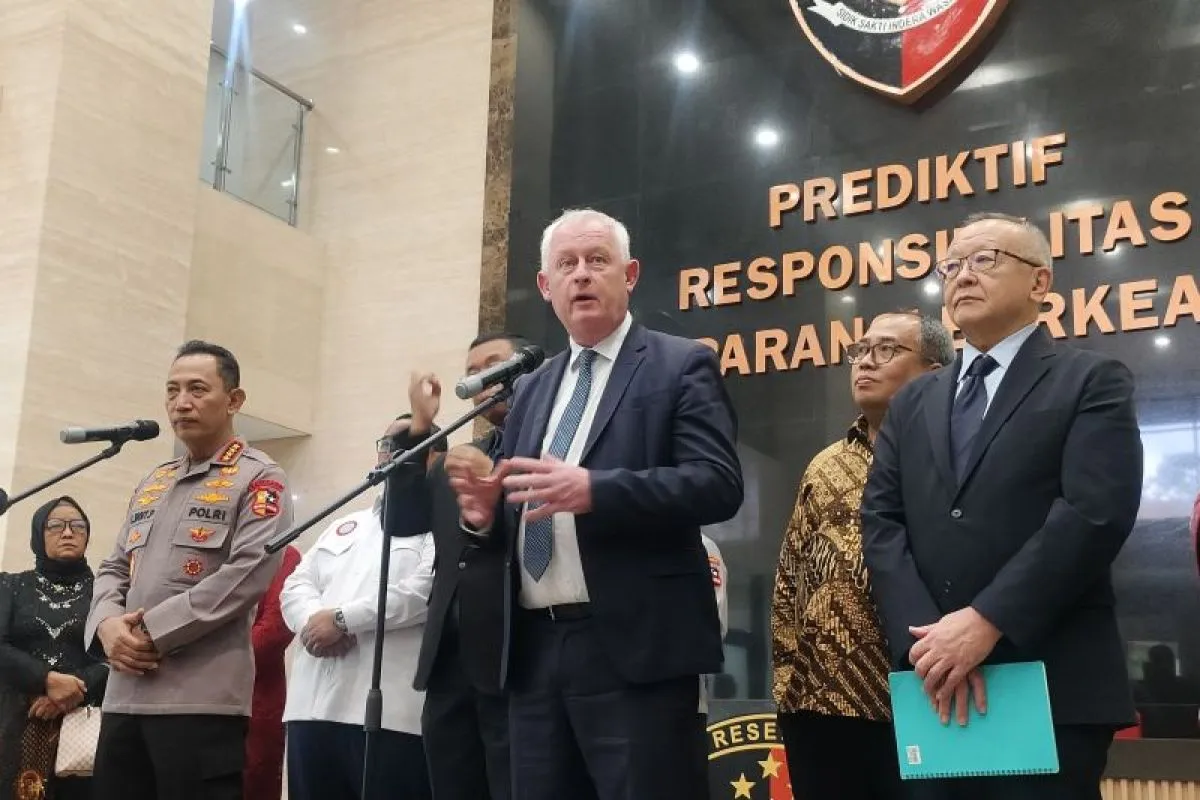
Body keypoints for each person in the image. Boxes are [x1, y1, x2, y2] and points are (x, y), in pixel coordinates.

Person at [446, 208, 744, 799]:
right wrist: (484, 517)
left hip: (635, 649)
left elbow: (717, 483)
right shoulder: (531, 387)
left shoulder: (680, 363)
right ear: (545, 285)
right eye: (566, 264)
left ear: (629, 274)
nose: (581, 274)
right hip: (533, 651)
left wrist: (597, 490)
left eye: (597, 260)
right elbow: (523, 504)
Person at [861, 213, 1144, 800]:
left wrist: (986, 620)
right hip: (934, 682)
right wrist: (927, 645)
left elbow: (1094, 513)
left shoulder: (1090, 380)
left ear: (1040, 282)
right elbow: (881, 521)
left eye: (984, 259)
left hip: (1048, 675)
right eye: (951, 266)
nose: (962, 276)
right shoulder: (913, 401)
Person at [85, 340, 290, 800]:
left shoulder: (260, 478)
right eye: (172, 390)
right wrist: (106, 625)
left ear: (234, 400)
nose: (181, 402)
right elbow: (114, 565)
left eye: (197, 389)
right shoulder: (154, 481)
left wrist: (152, 631)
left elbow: (247, 573)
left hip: (200, 700)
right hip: (124, 695)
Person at [772, 310, 952, 800]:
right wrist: (788, 684)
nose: (866, 362)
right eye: (861, 351)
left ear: (934, 372)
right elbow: (790, 580)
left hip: (926, 696)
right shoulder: (826, 465)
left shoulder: (956, 458)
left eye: (886, 350)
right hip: (821, 706)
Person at [280, 414, 442, 800]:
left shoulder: (439, 523)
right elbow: (295, 585)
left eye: (403, 445)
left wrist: (342, 620)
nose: (389, 453)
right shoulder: (345, 525)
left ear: (433, 457)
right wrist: (314, 623)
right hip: (310, 705)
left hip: (389, 715)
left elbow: (424, 592)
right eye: (385, 445)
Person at [397, 332, 526, 800]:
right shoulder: (458, 462)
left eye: (493, 366)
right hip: (450, 663)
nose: (481, 380)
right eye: (472, 372)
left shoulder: (550, 451)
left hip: (518, 659)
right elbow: (402, 521)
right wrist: (420, 426)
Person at [0, 496, 107, 800]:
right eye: (55, 525)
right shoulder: (10, 586)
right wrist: (45, 679)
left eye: (78, 525)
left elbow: (117, 658)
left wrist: (73, 689)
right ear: (38, 534)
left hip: (83, 728)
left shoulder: (106, 593)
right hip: (14, 723)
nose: (68, 532)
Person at [243, 544, 302, 800]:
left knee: (252, 782)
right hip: (183, 696)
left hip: (253, 698)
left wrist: (210, 664)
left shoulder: (282, 555)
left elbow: (274, 632)